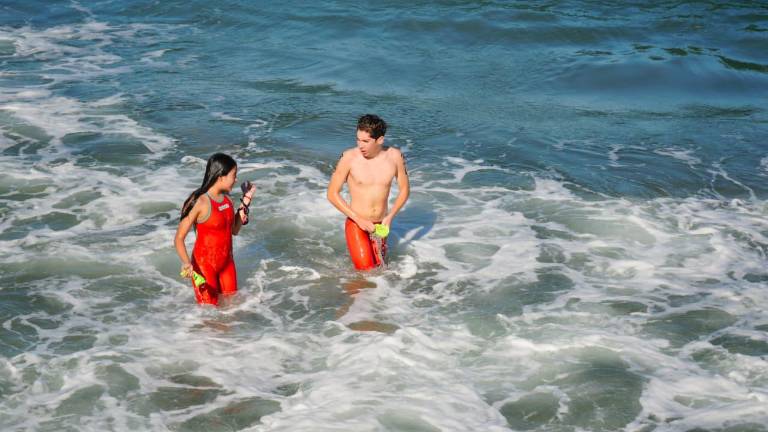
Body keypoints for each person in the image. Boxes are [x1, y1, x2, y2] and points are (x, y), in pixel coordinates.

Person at [327, 114, 410, 270]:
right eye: (358, 139)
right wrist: (359, 220)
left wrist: (390, 216)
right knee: (367, 272)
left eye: (366, 141)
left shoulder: (395, 156)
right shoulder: (348, 157)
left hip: (381, 225)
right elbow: (332, 193)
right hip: (357, 223)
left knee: (380, 271)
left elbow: (404, 189)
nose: (360, 145)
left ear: (380, 140)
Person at [174, 153, 256, 305]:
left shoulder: (228, 200)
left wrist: (246, 199)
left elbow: (234, 230)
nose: (236, 179)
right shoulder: (199, 201)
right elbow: (179, 238)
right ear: (221, 177)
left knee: (232, 310)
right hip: (204, 267)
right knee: (209, 315)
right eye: (234, 175)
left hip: (227, 264)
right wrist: (186, 263)